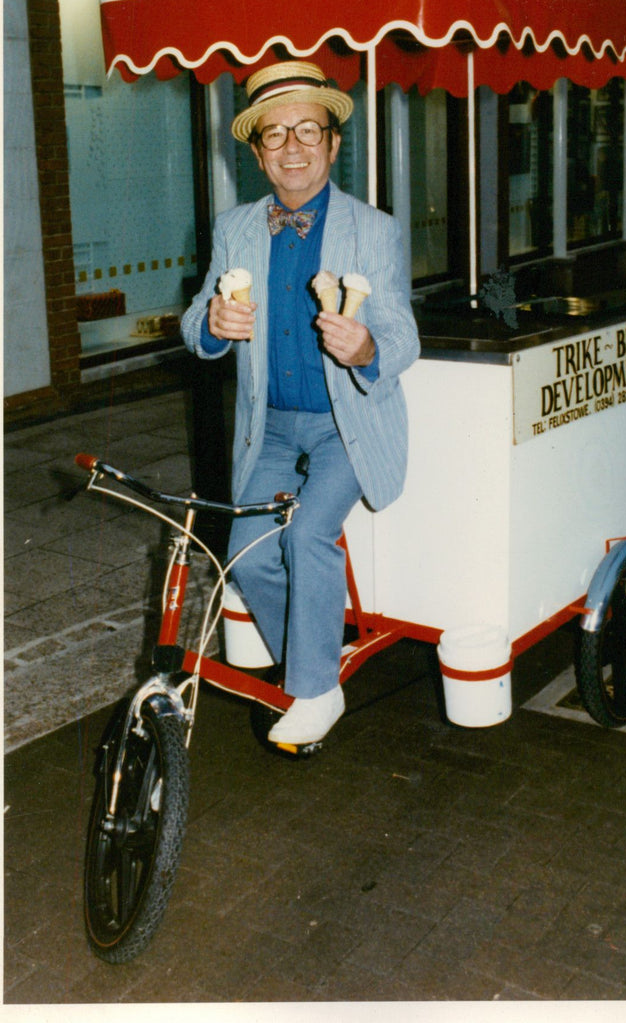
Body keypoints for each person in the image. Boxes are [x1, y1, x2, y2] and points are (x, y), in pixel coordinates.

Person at [181, 60, 420, 745]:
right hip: (271, 427)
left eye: (307, 130)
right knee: (248, 554)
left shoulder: (373, 229)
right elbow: (196, 317)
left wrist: (366, 346)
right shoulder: (236, 227)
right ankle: (315, 657)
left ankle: (315, 689)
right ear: (257, 153)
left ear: (334, 144)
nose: (293, 147)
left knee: (309, 532)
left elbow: (403, 331)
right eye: (275, 134)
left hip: (347, 422)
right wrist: (211, 327)